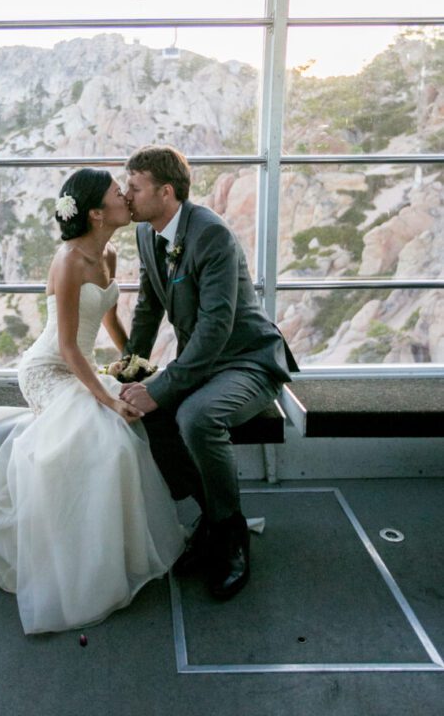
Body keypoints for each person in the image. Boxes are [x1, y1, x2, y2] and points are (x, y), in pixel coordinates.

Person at [0, 168, 185, 634]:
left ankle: (111, 549)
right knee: (107, 440)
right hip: (48, 371)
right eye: (117, 193)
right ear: (95, 212)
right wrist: (109, 401)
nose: (127, 197)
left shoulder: (108, 251)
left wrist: (129, 359)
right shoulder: (69, 261)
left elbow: (108, 318)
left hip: (81, 369)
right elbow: (68, 347)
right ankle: (79, 565)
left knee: (121, 437)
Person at [120, 145, 298, 601]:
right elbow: (149, 303)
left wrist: (163, 386)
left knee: (196, 417)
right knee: (152, 415)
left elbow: (216, 328)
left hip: (247, 360)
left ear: (165, 191)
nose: (126, 196)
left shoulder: (212, 235)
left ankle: (231, 533)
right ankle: (210, 519)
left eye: (135, 188)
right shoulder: (146, 234)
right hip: (205, 361)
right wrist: (133, 365)